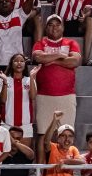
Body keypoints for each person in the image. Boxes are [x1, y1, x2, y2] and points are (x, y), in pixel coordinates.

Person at [31, 14, 81, 159]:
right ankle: (40, 167)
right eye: (51, 24)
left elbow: (74, 62)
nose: (54, 27)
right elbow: (39, 58)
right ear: (46, 28)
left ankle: (66, 165)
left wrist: (52, 61)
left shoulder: (71, 43)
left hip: (67, 95)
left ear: (63, 27)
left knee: (67, 133)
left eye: (57, 24)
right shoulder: (40, 43)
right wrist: (60, 55)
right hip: (44, 95)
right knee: (42, 133)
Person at [39, 111, 84, 176]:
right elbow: (45, 141)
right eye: (63, 136)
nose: (67, 139)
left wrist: (65, 161)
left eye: (70, 136)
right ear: (58, 138)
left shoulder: (73, 150)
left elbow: (82, 162)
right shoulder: (53, 147)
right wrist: (54, 120)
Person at [0, 53, 38, 148]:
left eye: (22, 61)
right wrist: (5, 82)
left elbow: (33, 97)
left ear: (25, 64)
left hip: (25, 124)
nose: (19, 63)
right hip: (7, 124)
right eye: (16, 61)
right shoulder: (4, 79)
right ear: (11, 64)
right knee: (6, 156)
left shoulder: (29, 80)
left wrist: (31, 77)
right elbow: (2, 100)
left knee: (24, 157)